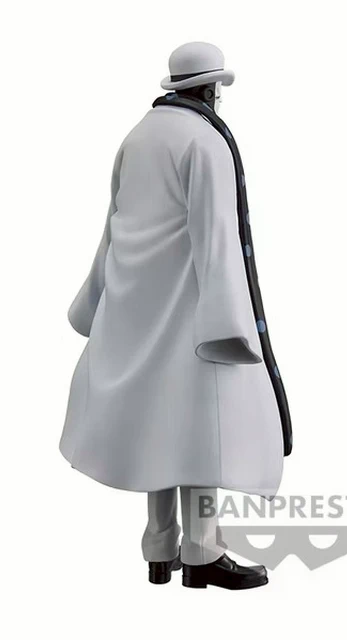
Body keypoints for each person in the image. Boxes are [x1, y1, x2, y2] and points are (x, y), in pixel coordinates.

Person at [60, 42, 292, 589]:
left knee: (157, 431)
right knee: (197, 435)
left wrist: (98, 296)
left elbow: (115, 225)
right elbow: (218, 236)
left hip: (137, 307)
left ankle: (159, 548)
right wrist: (229, 322)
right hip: (191, 313)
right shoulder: (204, 142)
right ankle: (203, 552)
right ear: (210, 90)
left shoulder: (137, 136)